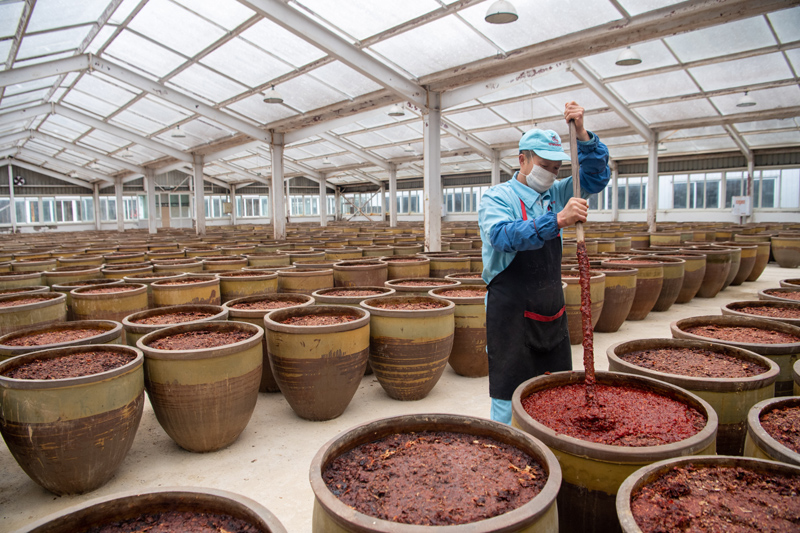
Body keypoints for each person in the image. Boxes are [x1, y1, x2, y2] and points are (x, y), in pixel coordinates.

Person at [478, 101, 610, 425]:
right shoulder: (498, 197)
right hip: (510, 319)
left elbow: (594, 177)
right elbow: (503, 235)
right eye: (544, 165)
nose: (551, 174)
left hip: (551, 314)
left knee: (554, 396)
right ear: (522, 159)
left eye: (556, 168)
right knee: (508, 399)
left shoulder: (557, 192)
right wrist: (558, 220)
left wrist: (583, 135)